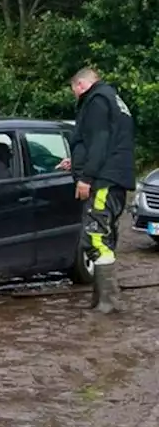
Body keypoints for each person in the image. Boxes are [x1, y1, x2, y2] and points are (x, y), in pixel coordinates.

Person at [56, 67, 135, 313]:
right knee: (105, 238)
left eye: (74, 91)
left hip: (104, 181)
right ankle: (103, 301)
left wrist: (86, 177)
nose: (75, 96)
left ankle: (108, 303)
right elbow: (105, 142)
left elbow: (99, 141)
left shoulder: (96, 101)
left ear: (80, 85)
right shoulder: (113, 101)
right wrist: (76, 163)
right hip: (116, 178)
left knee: (95, 238)